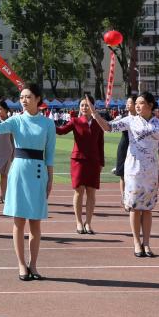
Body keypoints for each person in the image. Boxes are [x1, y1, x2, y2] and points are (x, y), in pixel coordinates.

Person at [0, 85, 55, 281]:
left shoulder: (48, 124)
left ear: (38, 99)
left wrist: (50, 179)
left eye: (28, 97)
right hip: (19, 171)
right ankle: (21, 264)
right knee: (19, 221)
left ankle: (33, 265)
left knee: (35, 222)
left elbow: (50, 155)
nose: (24, 100)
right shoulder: (16, 120)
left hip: (39, 172)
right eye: (21, 97)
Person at [89, 91, 159, 258]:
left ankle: (147, 243)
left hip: (151, 171)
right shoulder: (130, 121)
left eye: (141, 103)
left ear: (150, 105)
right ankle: (137, 242)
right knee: (134, 207)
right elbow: (109, 127)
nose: (137, 106)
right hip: (133, 171)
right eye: (136, 103)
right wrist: (95, 114)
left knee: (148, 209)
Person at [55, 94, 105, 234]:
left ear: (93, 107)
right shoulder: (75, 121)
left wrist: (101, 162)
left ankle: (88, 223)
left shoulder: (98, 123)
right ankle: (78, 222)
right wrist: (47, 123)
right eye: (82, 105)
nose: (84, 107)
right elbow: (61, 131)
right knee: (79, 191)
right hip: (78, 161)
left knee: (91, 193)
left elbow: (100, 144)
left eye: (87, 105)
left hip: (93, 161)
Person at [111, 94, 139, 205]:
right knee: (122, 174)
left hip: (136, 148)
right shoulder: (123, 117)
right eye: (127, 103)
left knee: (135, 174)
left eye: (129, 103)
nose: (127, 104)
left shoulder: (141, 118)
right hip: (124, 145)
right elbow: (111, 126)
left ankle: (134, 196)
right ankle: (124, 197)